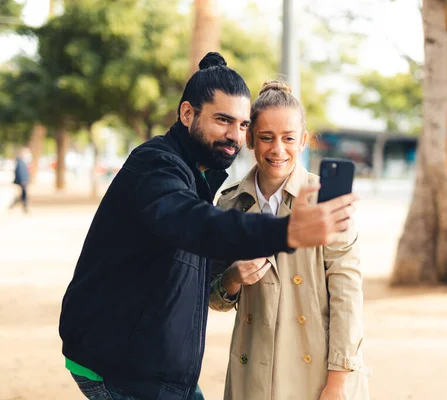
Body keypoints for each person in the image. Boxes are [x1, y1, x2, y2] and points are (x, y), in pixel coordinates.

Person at [58, 53, 358, 400]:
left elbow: (347, 293)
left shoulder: (199, 172)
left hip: (159, 368)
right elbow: (196, 223)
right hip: (121, 365)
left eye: (242, 124)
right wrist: (285, 232)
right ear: (187, 114)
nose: (233, 135)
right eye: (223, 120)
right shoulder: (156, 166)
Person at [210, 80, 370, 400]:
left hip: (319, 374)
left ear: (303, 142)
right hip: (250, 373)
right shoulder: (229, 204)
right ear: (251, 139)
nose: (277, 149)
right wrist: (233, 278)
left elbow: (347, 294)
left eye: (288, 138)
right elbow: (214, 297)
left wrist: (338, 382)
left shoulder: (326, 201)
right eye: (266, 138)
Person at [10, 147, 30, 213]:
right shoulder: (20, 162)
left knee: (22, 195)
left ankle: (23, 206)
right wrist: (23, 181)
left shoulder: (22, 162)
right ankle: (21, 206)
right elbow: (20, 172)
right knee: (22, 195)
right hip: (21, 182)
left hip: (22, 182)